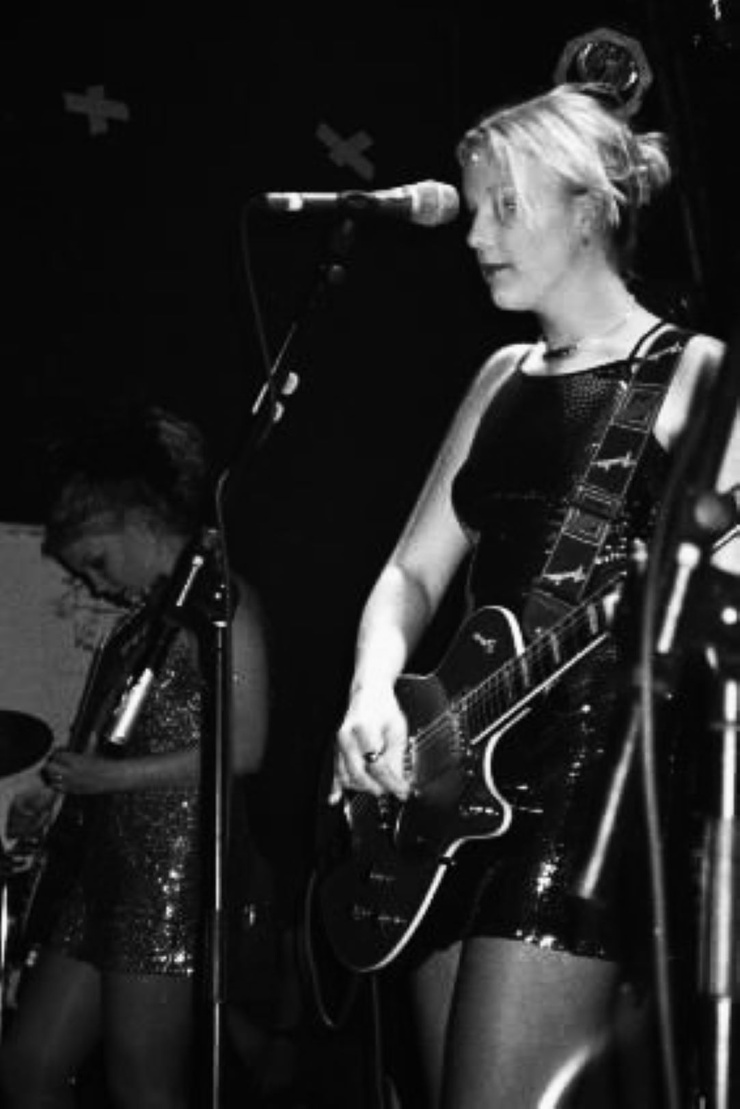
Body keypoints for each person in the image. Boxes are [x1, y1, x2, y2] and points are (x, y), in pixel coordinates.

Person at [332, 83, 740, 1107]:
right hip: (449, 784)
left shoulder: (698, 374)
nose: (475, 235)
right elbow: (410, 572)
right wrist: (372, 692)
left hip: (590, 784)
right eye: (474, 208)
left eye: (504, 206)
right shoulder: (500, 374)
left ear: (590, 208)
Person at [0, 404, 270, 1109]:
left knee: (143, 1086)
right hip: (105, 872)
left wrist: (108, 777)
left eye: (97, 561)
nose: (95, 584)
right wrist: (61, 792)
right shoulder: (142, 626)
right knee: (28, 1067)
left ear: (142, 524)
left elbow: (245, 748)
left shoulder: (224, 599)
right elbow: (111, 737)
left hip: (168, 873)